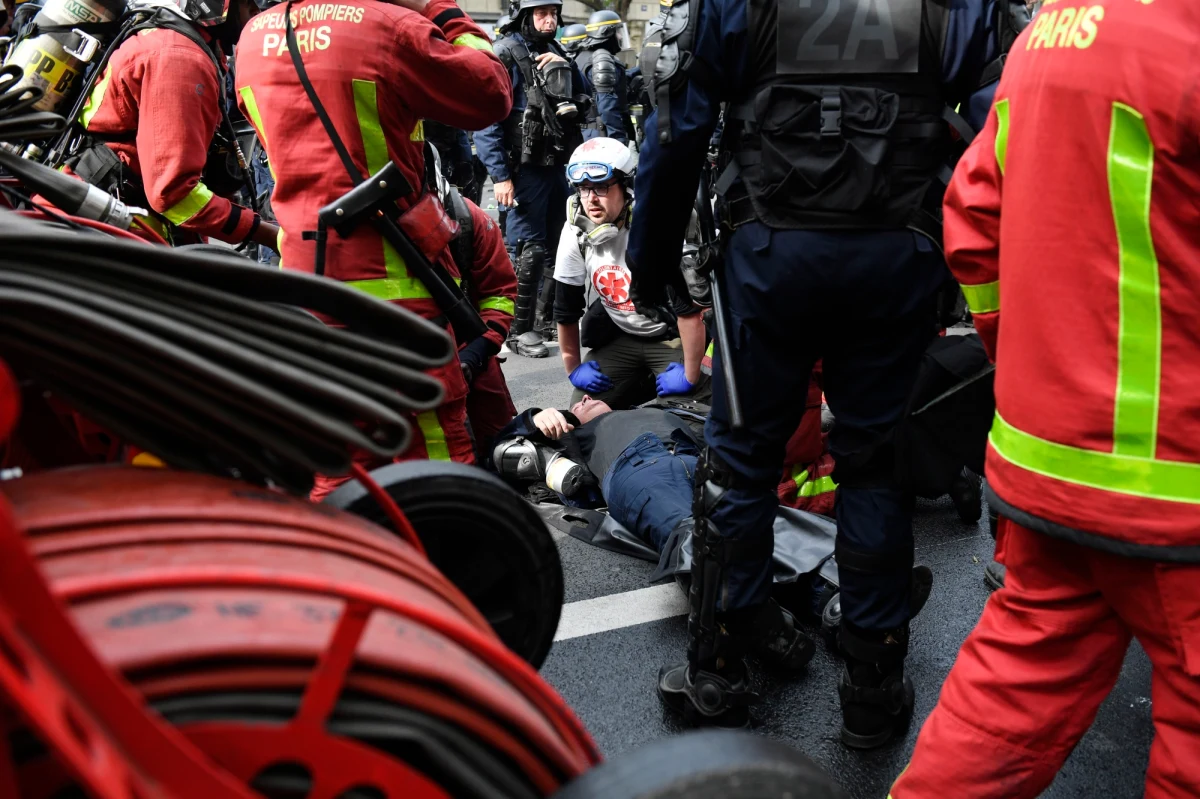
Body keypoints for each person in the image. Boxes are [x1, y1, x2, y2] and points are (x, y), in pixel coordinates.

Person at [629, 0, 1005, 742]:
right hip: (899, 253)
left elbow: (675, 133)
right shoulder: (960, 5)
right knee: (874, 463)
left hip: (772, 254)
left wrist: (651, 267)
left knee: (739, 465)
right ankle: (873, 682)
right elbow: (1012, 123)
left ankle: (718, 670)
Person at [891, 2, 1200, 796]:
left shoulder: (1050, 32)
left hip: (1044, 462)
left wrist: (1027, 358)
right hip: (1175, 480)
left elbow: (973, 219)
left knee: (1011, 694)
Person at [234, 0, 512, 500]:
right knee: (436, 461)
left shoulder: (253, 38)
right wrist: (443, 12)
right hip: (398, 290)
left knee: (339, 459)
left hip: (306, 288)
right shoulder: (387, 27)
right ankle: (445, 571)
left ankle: (353, 567)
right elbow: (490, 92)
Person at [494, 397, 818, 670]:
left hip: (704, 460)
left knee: (762, 526)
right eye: (577, 403)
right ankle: (763, 625)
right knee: (690, 534)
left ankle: (828, 597)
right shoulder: (572, 437)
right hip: (637, 468)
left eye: (587, 397)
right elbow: (501, 452)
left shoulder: (663, 406)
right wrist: (535, 418)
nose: (584, 399)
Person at [68, 0, 278, 249]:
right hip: (105, 232)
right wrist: (270, 236)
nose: (257, 11)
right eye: (247, 2)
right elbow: (173, 194)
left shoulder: (177, 39)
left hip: (110, 215)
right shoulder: (180, 59)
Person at [555, 137, 708, 410]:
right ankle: (641, 386)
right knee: (580, 413)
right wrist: (574, 368)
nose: (591, 199)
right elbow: (565, 310)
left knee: (682, 413)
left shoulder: (654, 225)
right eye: (583, 188)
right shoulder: (575, 231)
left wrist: (690, 374)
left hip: (673, 335)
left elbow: (689, 311)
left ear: (625, 186)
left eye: (601, 187)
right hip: (623, 336)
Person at [474, 0, 584, 358]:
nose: (549, 20)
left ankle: (549, 320)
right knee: (529, 249)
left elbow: (584, 100)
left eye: (553, 13)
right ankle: (518, 330)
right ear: (525, 15)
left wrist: (565, 67)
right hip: (524, 170)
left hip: (556, 165)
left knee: (560, 243)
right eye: (541, 14)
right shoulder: (505, 53)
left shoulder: (554, 49)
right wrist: (501, 177)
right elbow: (487, 120)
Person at [427, 145, 520, 457]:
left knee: (504, 445)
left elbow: (501, 294)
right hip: (406, 361)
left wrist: (476, 354)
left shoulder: (471, 221)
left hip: (470, 352)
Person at [575, 10, 629, 144]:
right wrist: (618, 140)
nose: (620, 37)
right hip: (602, 135)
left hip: (584, 134)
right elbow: (607, 107)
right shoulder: (602, 59)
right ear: (606, 32)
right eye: (617, 31)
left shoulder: (582, 56)